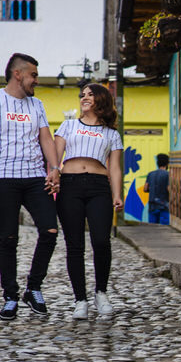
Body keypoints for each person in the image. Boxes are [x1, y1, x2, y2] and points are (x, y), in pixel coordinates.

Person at [0, 52, 62, 319]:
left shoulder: (37, 105)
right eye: (33, 75)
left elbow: (46, 139)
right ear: (18, 74)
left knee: (50, 230)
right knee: (8, 237)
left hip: (35, 178)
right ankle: (10, 296)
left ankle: (33, 288)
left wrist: (55, 169)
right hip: (2, 178)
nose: (36, 80)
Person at [52, 83, 124, 320]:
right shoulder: (68, 125)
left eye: (90, 95)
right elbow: (55, 159)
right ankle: (80, 299)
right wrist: (53, 177)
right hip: (69, 185)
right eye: (82, 94)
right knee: (74, 245)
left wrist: (117, 194)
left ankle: (101, 293)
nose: (84, 98)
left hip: (99, 188)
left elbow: (114, 167)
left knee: (101, 241)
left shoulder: (111, 134)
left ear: (101, 100)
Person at [144, 153, 170, 225]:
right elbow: (168, 189)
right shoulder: (167, 174)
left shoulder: (151, 174)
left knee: (152, 229)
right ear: (167, 164)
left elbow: (145, 188)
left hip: (152, 206)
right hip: (163, 206)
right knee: (164, 229)